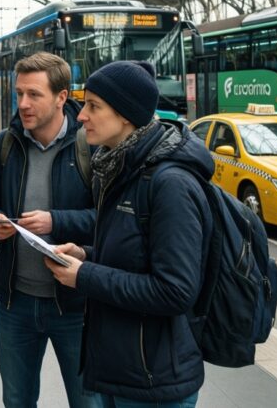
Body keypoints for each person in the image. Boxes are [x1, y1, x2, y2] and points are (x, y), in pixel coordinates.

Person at [46, 60, 214, 408]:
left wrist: (84, 276)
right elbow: (133, 256)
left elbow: (175, 291)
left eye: (94, 106)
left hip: (153, 382)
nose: (81, 116)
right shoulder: (118, 166)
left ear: (125, 115)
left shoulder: (169, 183)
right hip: (121, 369)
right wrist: (86, 254)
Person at [0, 52, 99, 408]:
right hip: (16, 303)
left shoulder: (91, 146)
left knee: (88, 402)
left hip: (76, 306)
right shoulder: (6, 144)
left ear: (62, 97)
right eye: (19, 94)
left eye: (34, 95)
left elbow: (109, 220)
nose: (23, 104)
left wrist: (56, 221)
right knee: (17, 399)